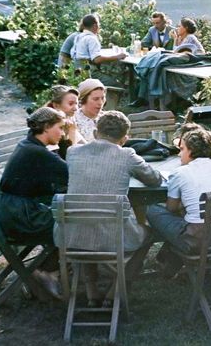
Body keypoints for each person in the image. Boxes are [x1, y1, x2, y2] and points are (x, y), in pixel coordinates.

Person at [65, 111, 162, 306]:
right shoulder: (127, 154)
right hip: (112, 236)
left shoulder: (72, 152)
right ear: (124, 138)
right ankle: (116, 288)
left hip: (72, 236)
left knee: (88, 228)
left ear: (94, 132)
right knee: (148, 233)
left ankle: (92, 291)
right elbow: (155, 179)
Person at [0, 107, 69, 298]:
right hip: (19, 216)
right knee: (71, 221)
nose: (63, 133)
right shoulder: (37, 153)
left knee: (66, 214)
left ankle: (51, 270)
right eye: (60, 128)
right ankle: (45, 271)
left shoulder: (28, 145)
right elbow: (72, 171)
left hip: (10, 211)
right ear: (46, 127)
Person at [146, 128, 211, 274]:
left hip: (199, 241)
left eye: (182, 149)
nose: (179, 153)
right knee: (188, 213)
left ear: (192, 150)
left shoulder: (180, 173)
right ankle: (168, 263)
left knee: (153, 210)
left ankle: (166, 261)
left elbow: (171, 208)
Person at [44, 85, 86, 158]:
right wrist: (72, 131)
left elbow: (84, 145)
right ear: (56, 105)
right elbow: (71, 157)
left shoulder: (68, 122)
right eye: (70, 104)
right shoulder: (49, 127)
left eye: (76, 104)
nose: (75, 108)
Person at [74, 78, 106, 142]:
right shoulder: (74, 120)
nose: (100, 103)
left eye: (102, 98)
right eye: (95, 99)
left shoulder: (107, 118)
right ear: (83, 100)